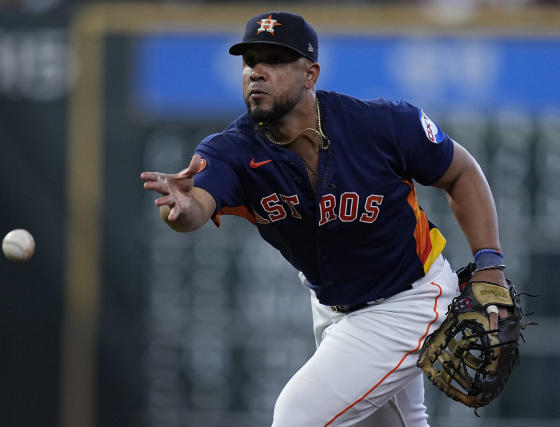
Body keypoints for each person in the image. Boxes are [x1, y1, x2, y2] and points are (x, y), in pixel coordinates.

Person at [141, 11, 508, 427]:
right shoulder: (231, 150)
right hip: (334, 309)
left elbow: (461, 172)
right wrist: (183, 211)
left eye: (275, 59)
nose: (257, 72)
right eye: (249, 61)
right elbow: (197, 206)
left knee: (297, 418)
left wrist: (489, 265)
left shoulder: (378, 124)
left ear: (310, 73)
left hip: (411, 298)